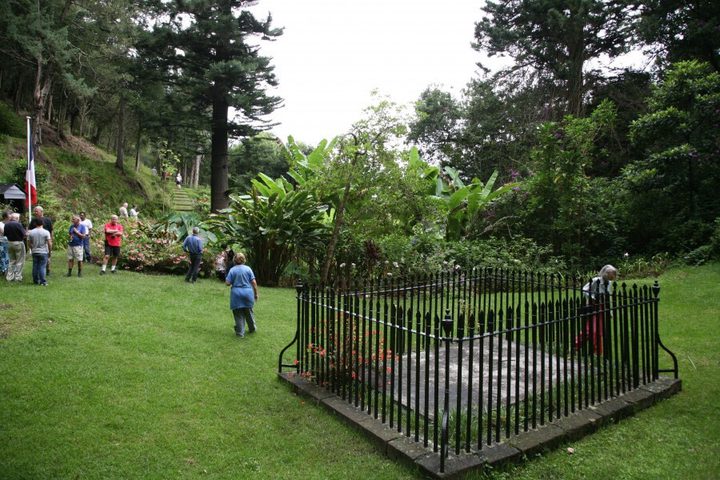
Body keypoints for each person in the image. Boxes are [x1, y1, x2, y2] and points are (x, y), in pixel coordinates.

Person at [574, 264, 618, 355]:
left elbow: (607, 297)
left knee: (598, 330)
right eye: (612, 273)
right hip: (592, 306)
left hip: (602, 307)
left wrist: (610, 312)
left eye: (614, 274)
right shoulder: (595, 280)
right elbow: (584, 289)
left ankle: (596, 352)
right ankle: (577, 345)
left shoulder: (609, 283)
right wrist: (593, 297)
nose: (613, 276)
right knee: (592, 329)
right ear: (606, 273)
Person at [225, 252, 258, 338]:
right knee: (249, 312)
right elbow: (254, 282)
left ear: (234, 260)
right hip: (247, 292)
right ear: (244, 260)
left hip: (236, 293)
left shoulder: (232, 270)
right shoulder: (248, 269)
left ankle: (240, 333)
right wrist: (256, 294)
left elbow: (227, 283)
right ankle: (252, 328)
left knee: (238, 314)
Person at [29, 206, 54, 275]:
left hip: (46, 240)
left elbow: (51, 230)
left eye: (37, 211)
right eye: (35, 211)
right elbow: (30, 230)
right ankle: (39, 271)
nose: (35, 213)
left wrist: (51, 239)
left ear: (41, 211)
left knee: (47, 255)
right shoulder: (33, 220)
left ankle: (48, 270)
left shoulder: (47, 219)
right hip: (36, 241)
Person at [28, 218, 52, 285]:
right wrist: (50, 251)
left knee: (35, 266)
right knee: (42, 266)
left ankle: (35, 281)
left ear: (35, 224)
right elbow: (49, 243)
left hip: (35, 251)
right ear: (43, 224)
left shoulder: (31, 232)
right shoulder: (46, 232)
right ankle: (43, 281)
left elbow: (29, 243)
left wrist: (32, 248)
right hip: (43, 251)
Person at [4, 213, 27, 282]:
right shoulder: (18, 224)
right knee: (20, 261)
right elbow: (24, 234)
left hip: (9, 243)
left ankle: (9, 277)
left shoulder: (6, 224)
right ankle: (18, 277)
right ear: (17, 218)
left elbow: (5, 234)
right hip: (18, 243)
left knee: (11, 261)